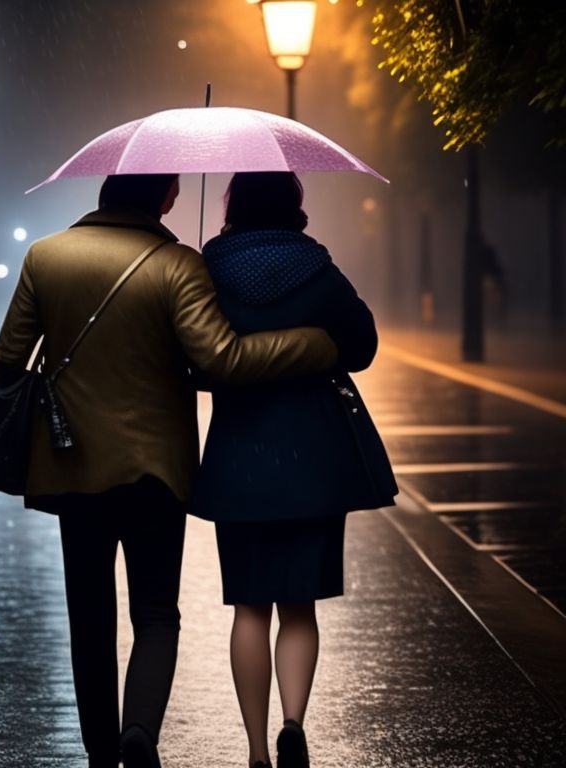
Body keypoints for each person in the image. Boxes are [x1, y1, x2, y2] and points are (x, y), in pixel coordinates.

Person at [0, 173, 340, 768]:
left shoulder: (44, 257)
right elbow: (222, 358)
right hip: (155, 467)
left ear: (104, 193)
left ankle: (101, 748)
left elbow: (8, 359)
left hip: (71, 465)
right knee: (156, 611)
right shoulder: (177, 264)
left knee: (89, 612)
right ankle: (140, 732)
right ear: (165, 199)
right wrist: (314, 345)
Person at [195, 172, 397, 768]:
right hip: (314, 456)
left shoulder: (209, 272)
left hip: (240, 456)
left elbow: (192, 356)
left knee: (250, 608)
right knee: (299, 608)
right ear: (294, 206)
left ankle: (256, 750)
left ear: (234, 204)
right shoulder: (318, 270)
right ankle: (291, 723)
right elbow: (362, 346)